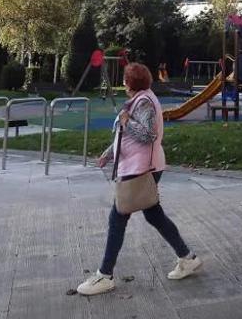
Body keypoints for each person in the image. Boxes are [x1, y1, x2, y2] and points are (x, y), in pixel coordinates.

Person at [76, 62, 202, 296]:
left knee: (118, 218)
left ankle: (104, 275)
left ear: (128, 84)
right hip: (145, 166)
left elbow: (147, 134)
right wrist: (108, 154)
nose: (123, 83)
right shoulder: (143, 98)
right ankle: (187, 257)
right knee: (154, 214)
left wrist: (126, 120)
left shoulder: (142, 102)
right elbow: (126, 138)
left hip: (140, 168)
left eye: (125, 80)